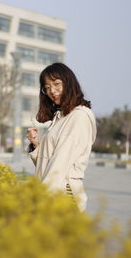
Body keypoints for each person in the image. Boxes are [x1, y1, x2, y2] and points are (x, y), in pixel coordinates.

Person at [26, 63, 96, 212]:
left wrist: (39, 201)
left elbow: (59, 164)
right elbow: (48, 164)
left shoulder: (79, 116)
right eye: (47, 87)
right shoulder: (61, 116)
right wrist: (37, 145)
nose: (52, 90)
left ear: (68, 83)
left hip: (63, 196)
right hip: (54, 193)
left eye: (56, 84)